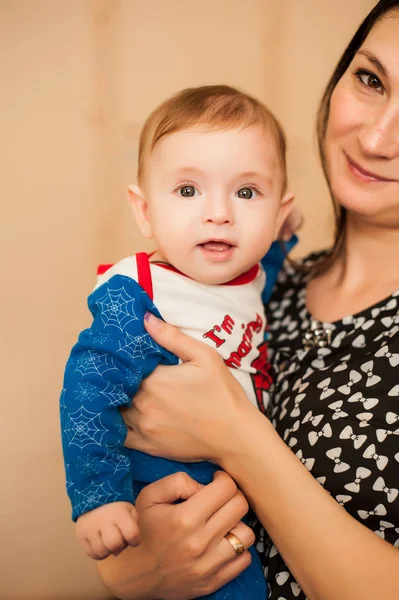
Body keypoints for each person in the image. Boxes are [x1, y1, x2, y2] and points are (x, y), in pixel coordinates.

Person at [97, 1, 399, 599]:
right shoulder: (253, 283)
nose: (376, 136)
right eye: (371, 80)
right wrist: (135, 569)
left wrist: (237, 435)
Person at [60, 85, 300, 598]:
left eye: (247, 193)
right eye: (188, 190)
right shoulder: (140, 290)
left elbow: (262, 279)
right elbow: (88, 388)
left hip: (241, 474)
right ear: (144, 211)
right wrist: (98, 496)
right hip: (175, 485)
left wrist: (283, 239)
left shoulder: (249, 274)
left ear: (278, 212)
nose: (218, 213)